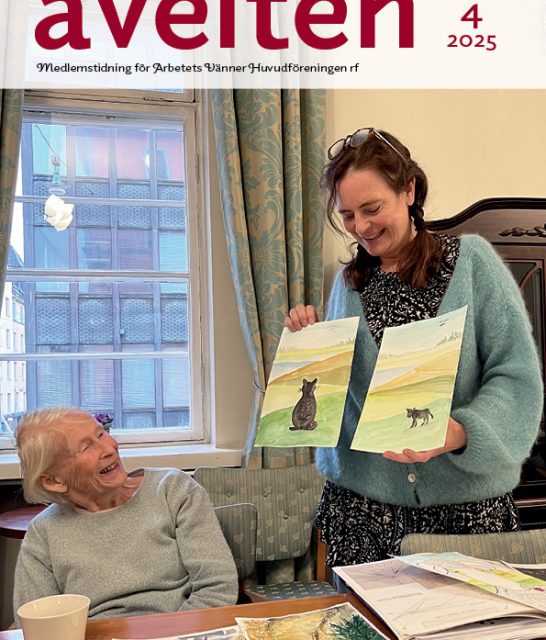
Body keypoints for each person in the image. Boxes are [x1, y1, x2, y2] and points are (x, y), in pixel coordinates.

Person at [285, 127, 543, 570]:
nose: (361, 227)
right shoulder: (349, 284)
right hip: (361, 515)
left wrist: (462, 431)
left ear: (408, 190)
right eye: (347, 215)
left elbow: (516, 374)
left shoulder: (472, 263)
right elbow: (340, 400)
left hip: (464, 515)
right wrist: (309, 345)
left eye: (372, 208)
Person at [12, 407, 238, 624]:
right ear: (54, 481)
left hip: (180, 631)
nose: (109, 448)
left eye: (101, 433)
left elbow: (216, 588)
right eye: (87, 447)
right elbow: (36, 621)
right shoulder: (43, 532)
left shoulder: (173, 490)